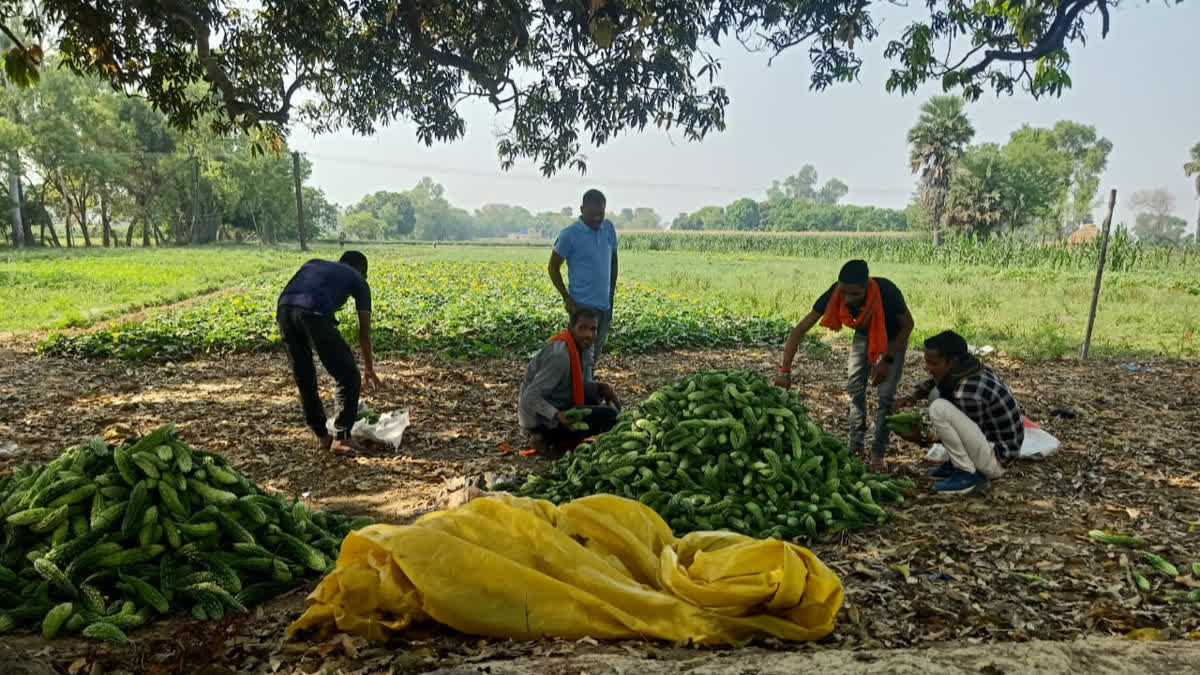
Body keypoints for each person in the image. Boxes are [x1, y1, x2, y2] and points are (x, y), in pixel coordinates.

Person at [774, 260, 914, 472]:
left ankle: (878, 454)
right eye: (844, 292)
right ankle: (855, 446)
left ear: (867, 286)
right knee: (855, 389)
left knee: (885, 396)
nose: (847, 299)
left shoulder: (887, 292)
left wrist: (887, 361)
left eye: (854, 294)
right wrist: (784, 371)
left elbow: (907, 326)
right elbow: (800, 329)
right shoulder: (836, 292)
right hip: (865, 333)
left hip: (893, 338)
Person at [276, 251, 382, 455]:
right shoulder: (358, 279)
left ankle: (322, 436)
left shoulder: (314, 263)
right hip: (314, 313)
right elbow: (364, 332)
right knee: (348, 375)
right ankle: (342, 438)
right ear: (362, 271)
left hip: (284, 310)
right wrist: (368, 367)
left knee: (304, 375)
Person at [892, 330, 1024, 494]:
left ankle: (968, 473)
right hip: (997, 445)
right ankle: (957, 464)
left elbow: (966, 437)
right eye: (926, 362)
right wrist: (912, 397)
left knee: (938, 408)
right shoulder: (968, 367)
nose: (927, 368)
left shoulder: (968, 392)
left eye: (933, 364)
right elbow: (936, 382)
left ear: (952, 361)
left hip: (996, 460)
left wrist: (923, 439)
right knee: (936, 395)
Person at [519, 308, 622, 455]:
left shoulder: (585, 347)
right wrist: (557, 415)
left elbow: (580, 384)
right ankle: (544, 438)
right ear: (571, 328)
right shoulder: (559, 355)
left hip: (560, 401)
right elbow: (529, 398)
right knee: (611, 416)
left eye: (593, 329)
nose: (588, 335)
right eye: (582, 328)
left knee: (597, 398)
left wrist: (601, 387)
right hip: (539, 419)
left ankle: (554, 437)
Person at [548, 189, 618, 381]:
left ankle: (584, 392)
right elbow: (553, 267)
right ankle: (575, 397)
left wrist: (611, 293)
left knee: (593, 356)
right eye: (592, 214)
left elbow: (613, 259)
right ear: (582, 209)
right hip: (582, 307)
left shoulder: (609, 229)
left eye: (600, 214)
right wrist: (566, 298)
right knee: (580, 356)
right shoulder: (570, 234)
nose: (597, 219)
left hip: (604, 305)